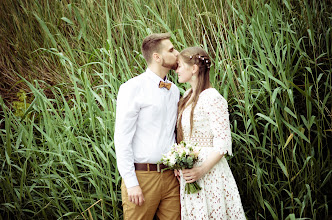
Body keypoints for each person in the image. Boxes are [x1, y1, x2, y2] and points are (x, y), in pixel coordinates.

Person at [114, 33, 181, 220]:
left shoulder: (174, 90)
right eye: (171, 50)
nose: (177, 53)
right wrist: (131, 182)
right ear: (157, 57)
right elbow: (122, 138)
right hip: (142, 177)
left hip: (170, 176)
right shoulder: (132, 88)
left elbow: (173, 132)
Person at [175, 46, 246, 219]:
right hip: (190, 171)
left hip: (210, 172)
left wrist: (201, 170)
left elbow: (223, 143)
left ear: (194, 69)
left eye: (179, 65)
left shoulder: (213, 98)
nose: (176, 70)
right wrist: (179, 162)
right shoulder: (187, 95)